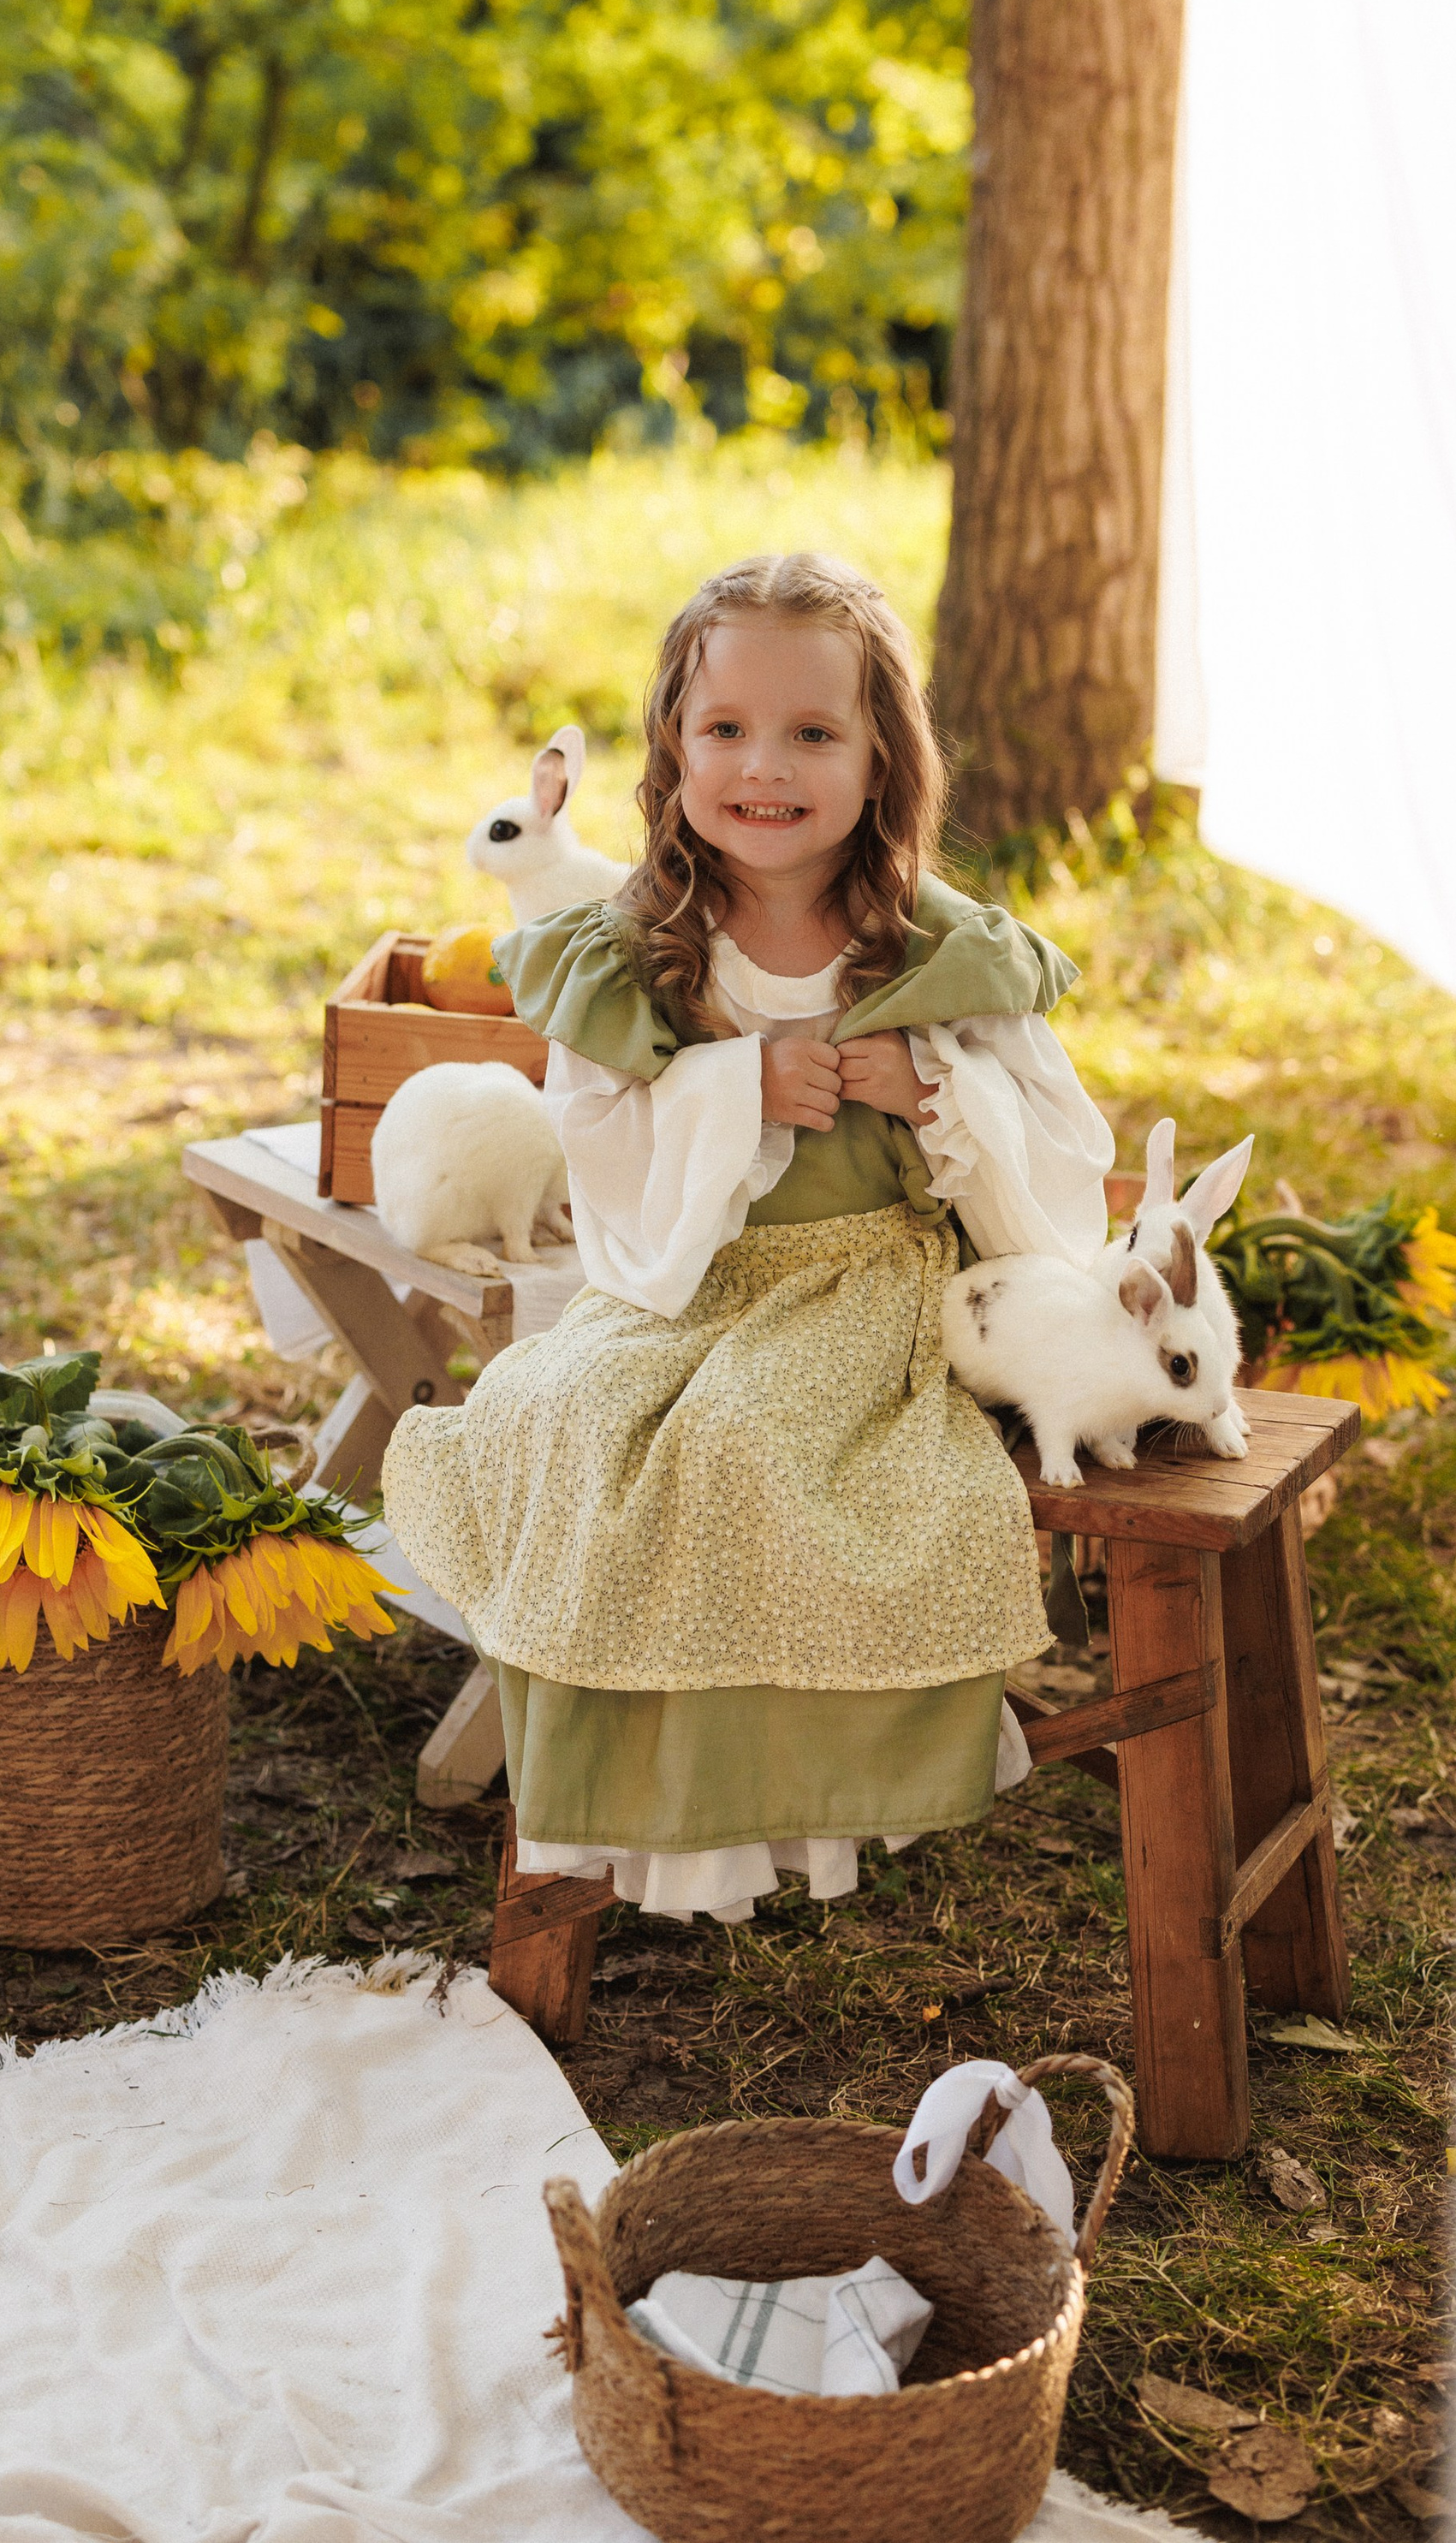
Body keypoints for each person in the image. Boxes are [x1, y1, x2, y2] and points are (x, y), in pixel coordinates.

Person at [380, 550, 1114, 1924]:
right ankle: (641, 1812)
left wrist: (937, 1091)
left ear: (882, 760)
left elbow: (1061, 1182)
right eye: (725, 729)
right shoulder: (633, 950)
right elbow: (604, 1175)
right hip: (681, 1284)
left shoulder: (934, 951)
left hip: (862, 1281)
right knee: (562, 1418)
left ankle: (783, 1806)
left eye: (813, 732)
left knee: (742, 1443)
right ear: (672, 750)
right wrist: (732, 1090)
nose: (762, 766)